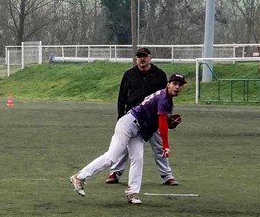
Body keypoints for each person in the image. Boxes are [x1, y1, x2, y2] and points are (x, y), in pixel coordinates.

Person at [71, 74, 187, 205]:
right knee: (111, 157)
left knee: (138, 159)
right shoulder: (164, 98)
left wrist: (165, 121)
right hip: (128, 124)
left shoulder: (165, 97)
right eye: (175, 83)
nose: (177, 87)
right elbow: (161, 123)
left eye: (180, 84)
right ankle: (79, 177)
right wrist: (166, 145)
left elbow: (158, 119)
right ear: (168, 84)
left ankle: (133, 193)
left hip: (137, 129)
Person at [104, 48, 175, 187]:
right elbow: (122, 96)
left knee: (159, 145)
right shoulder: (129, 75)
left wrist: (168, 115)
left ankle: (167, 175)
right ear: (136, 59)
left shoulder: (159, 75)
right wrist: (120, 115)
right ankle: (115, 172)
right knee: (123, 146)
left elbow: (166, 97)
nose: (142, 59)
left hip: (153, 118)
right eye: (139, 56)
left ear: (150, 58)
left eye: (145, 56)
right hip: (132, 116)